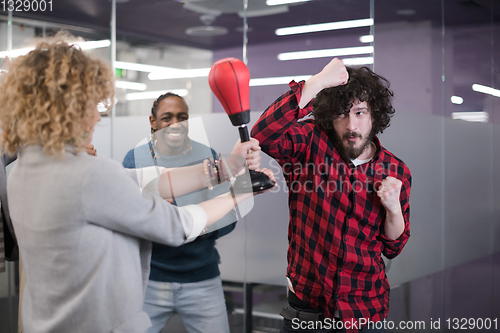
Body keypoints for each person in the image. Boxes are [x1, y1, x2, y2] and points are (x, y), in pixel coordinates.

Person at [0, 35, 273, 333]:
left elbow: (145, 183)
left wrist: (225, 167)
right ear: (66, 110)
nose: (96, 117)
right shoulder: (88, 175)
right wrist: (240, 192)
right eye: (90, 106)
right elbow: (178, 224)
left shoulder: (21, 171)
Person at [251, 58, 411, 333]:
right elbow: (264, 135)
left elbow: (393, 248)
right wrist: (317, 82)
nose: (351, 125)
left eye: (360, 112)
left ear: (375, 115)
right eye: (341, 114)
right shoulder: (309, 143)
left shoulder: (395, 170)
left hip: (365, 310)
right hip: (307, 308)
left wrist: (393, 209)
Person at [123, 92, 244, 333]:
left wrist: (193, 227)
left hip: (202, 279)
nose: (175, 123)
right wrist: (169, 221)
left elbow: (229, 217)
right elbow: (128, 220)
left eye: (182, 117)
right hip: (151, 280)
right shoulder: (136, 159)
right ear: (153, 121)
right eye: (166, 117)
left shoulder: (207, 157)